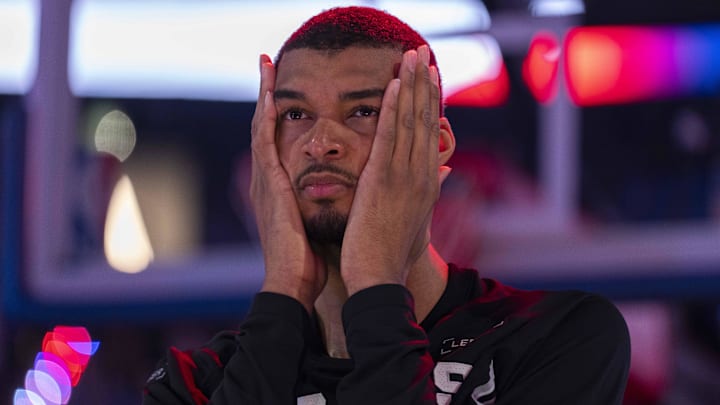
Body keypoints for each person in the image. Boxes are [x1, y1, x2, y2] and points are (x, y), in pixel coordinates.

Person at [142, 6, 630, 404]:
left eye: (362, 111)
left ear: (435, 146)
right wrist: (283, 293)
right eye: (295, 113)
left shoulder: (556, 338)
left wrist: (375, 280)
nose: (320, 142)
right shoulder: (196, 385)